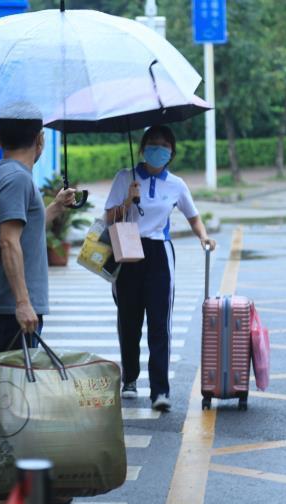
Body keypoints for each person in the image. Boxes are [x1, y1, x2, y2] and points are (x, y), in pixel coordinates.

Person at [105, 125, 216, 412]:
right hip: (127, 250)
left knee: (159, 323)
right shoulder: (124, 177)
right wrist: (128, 200)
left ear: (171, 152)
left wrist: (203, 236)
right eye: (153, 143)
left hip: (159, 254)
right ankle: (130, 378)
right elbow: (108, 218)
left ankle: (160, 390)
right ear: (142, 148)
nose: (159, 149)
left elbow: (193, 217)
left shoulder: (176, 184)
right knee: (128, 321)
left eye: (164, 145)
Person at [0, 115, 76, 354]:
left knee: (12, 377)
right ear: (40, 139)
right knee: (17, 378)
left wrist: (56, 207)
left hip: (4, 308)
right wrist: (22, 303)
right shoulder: (18, 179)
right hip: (12, 311)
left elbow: (23, 230)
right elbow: (8, 241)